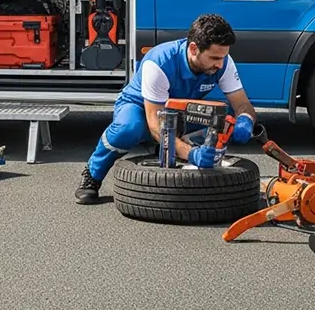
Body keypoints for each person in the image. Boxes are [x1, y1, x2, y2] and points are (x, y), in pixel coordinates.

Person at [74, 13, 257, 205]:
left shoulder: (223, 63)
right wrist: (191, 154)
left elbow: (242, 104)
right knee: (128, 129)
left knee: (223, 121)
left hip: (180, 109)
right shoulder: (160, 62)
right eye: (214, 58)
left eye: (223, 57)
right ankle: (93, 175)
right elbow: (155, 125)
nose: (220, 64)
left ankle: (175, 147)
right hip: (140, 108)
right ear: (193, 48)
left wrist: (245, 120)